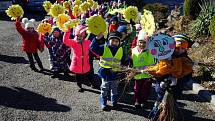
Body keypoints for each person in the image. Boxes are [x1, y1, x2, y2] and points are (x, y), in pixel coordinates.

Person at [90, 31, 124, 111]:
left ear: (119, 42)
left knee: (114, 88)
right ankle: (103, 103)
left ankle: (114, 102)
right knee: (104, 88)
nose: (114, 42)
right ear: (109, 40)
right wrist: (96, 39)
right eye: (113, 40)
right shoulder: (103, 47)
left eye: (116, 41)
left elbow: (122, 60)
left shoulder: (120, 49)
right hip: (105, 72)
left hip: (116, 73)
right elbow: (93, 48)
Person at [131, 30, 156, 109]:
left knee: (146, 89)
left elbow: (153, 61)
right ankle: (137, 100)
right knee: (137, 88)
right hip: (137, 74)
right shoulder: (134, 50)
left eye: (144, 43)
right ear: (138, 42)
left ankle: (144, 101)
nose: (142, 44)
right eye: (140, 42)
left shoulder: (150, 51)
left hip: (147, 74)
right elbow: (131, 60)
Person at [63, 25, 91, 92]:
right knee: (78, 75)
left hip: (85, 61)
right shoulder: (74, 42)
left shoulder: (87, 42)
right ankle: (79, 86)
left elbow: (93, 46)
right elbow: (65, 41)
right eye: (77, 35)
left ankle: (86, 81)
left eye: (81, 36)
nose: (79, 37)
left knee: (85, 73)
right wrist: (68, 31)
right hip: (77, 62)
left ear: (84, 36)